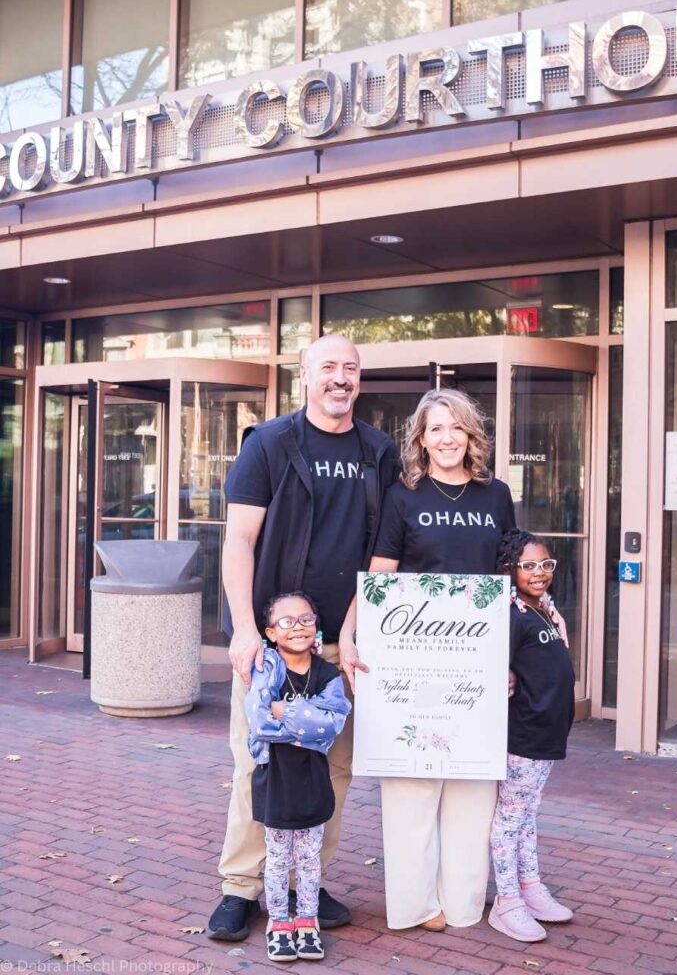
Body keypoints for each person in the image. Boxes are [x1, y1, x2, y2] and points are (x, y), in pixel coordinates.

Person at [207, 334, 400, 941]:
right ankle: (242, 886)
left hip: (344, 644)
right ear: (305, 376)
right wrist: (244, 629)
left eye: (350, 368)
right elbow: (238, 540)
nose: (340, 378)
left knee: (331, 772)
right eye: (328, 368)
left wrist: (357, 627)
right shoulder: (268, 444)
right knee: (257, 766)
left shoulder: (379, 451)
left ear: (359, 380)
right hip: (274, 643)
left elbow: (386, 549)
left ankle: (303, 880)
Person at [344, 387, 516, 931]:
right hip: (413, 659)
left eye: (457, 428)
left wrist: (511, 657)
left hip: (474, 663)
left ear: (472, 435)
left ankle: (464, 901)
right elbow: (381, 574)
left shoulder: (497, 496)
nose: (447, 438)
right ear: (420, 438)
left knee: (472, 782)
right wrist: (349, 633)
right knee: (412, 784)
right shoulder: (403, 496)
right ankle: (416, 905)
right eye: (436, 429)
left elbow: (507, 581)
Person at [246, 592, 351, 962]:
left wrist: (285, 710)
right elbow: (260, 723)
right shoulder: (267, 669)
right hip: (276, 778)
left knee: (309, 858)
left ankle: (307, 921)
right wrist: (307, 719)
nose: (298, 628)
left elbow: (332, 724)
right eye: (287, 622)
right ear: (271, 632)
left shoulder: (327, 674)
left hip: (313, 779)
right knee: (277, 857)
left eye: (306, 619)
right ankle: (279, 923)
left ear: (316, 624)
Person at [488, 529, 575, 943]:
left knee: (527, 815)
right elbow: (494, 668)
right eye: (529, 566)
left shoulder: (540, 608)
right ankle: (506, 903)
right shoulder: (510, 613)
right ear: (509, 570)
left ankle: (530, 887)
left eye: (546, 564)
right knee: (510, 820)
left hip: (546, 734)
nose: (539, 573)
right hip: (522, 734)